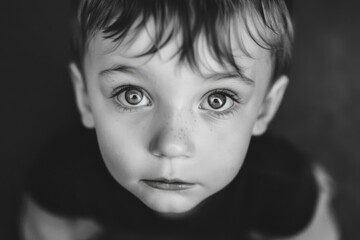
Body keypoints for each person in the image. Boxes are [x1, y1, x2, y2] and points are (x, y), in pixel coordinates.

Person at [20, 0, 339, 239]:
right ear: (85, 97)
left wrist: (310, 200)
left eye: (218, 99)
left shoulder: (282, 187)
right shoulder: (64, 176)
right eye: (132, 95)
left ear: (265, 108)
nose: (171, 145)